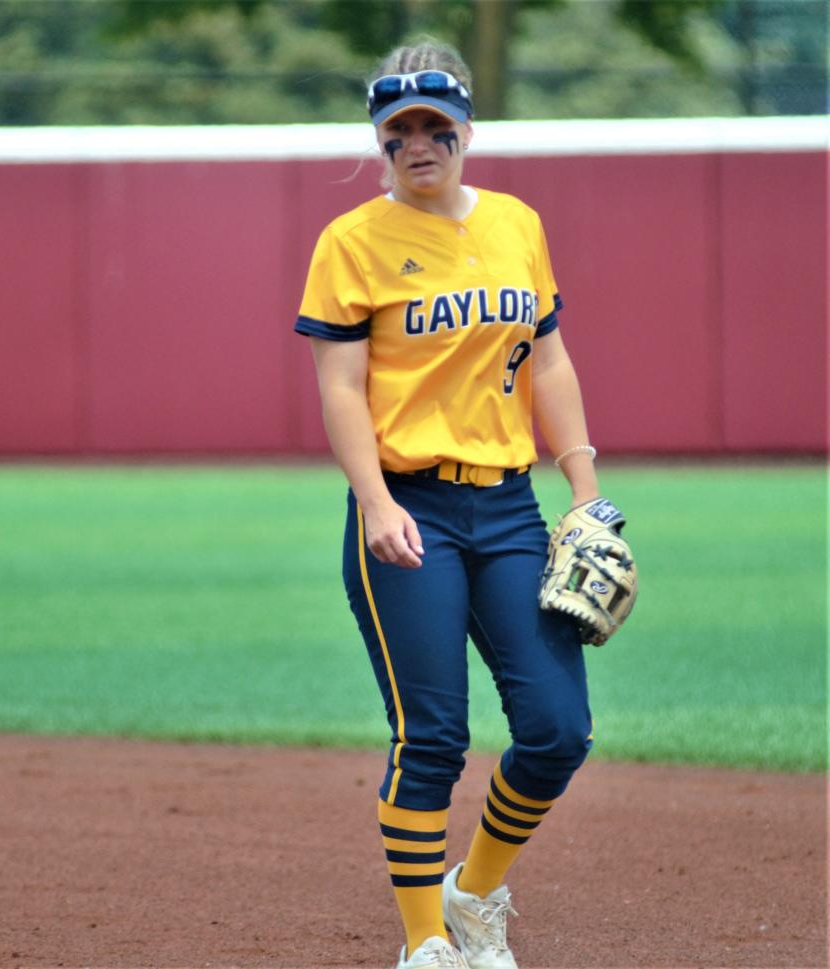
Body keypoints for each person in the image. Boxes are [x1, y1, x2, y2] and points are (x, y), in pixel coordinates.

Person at [294, 40, 599, 969]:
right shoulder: (351, 241)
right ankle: (426, 943)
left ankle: (473, 893)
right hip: (408, 510)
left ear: (466, 129)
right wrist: (375, 501)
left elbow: (546, 357)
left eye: (436, 128)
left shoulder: (515, 222)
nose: (418, 146)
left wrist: (584, 491)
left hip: (507, 507)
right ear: (381, 143)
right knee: (431, 735)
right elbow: (342, 387)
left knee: (556, 730)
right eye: (400, 133)